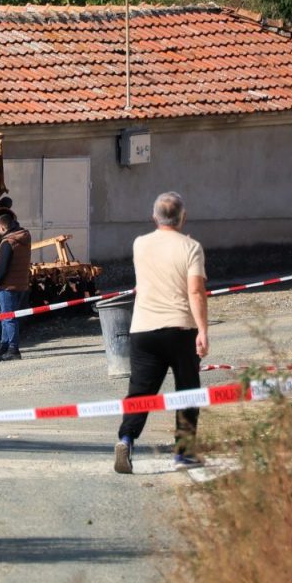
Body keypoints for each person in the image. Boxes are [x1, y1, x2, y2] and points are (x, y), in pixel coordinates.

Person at [114, 192, 208, 474]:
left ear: (154, 217)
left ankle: (126, 439)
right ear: (183, 216)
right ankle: (184, 452)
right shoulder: (191, 247)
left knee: (141, 391)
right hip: (180, 328)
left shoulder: (139, 244)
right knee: (187, 390)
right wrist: (203, 330)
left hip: (144, 327)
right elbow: (195, 291)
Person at [0, 213, 31, 361]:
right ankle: (4, 347)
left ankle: (13, 349)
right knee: (7, 317)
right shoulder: (22, 239)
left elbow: (3, 266)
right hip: (19, 284)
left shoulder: (8, 242)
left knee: (8, 318)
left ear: (1, 227)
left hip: (7, 286)